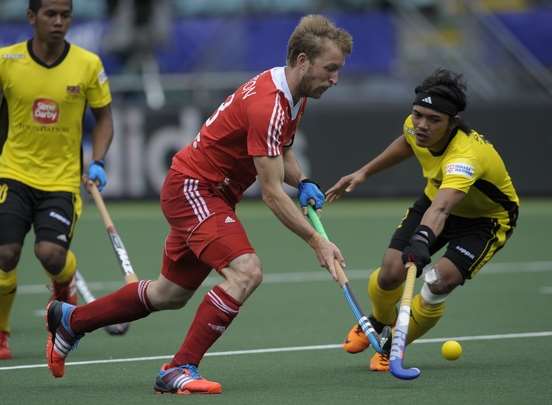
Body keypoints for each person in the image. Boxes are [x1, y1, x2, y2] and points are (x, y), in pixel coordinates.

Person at [45, 14, 353, 395]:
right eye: (331, 69)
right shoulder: (268, 103)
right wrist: (317, 241)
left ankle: (71, 321)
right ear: (303, 60)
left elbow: (281, 148)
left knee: (167, 294)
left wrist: (303, 181)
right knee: (246, 272)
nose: (335, 79)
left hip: (209, 193)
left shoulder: (293, 93)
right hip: (195, 190)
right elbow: (272, 193)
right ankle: (179, 368)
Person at [326, 68, 519, 371]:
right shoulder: (415, 127)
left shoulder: (466, 156)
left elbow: (442, 209)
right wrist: (364, 171)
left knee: (439, 281)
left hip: (485, 220)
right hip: (436, 198)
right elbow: (407, 142)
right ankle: (378, 320)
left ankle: (393, 346)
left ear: (453, 122)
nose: (422, 125)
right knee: (391, 271)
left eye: (433, 120)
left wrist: (422, 240)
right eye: (417, 115)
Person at [0, 0, 114, 360]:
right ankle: (1, 333)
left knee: (50, 255)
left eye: (65, 15)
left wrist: (96, 161)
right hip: (13, 172)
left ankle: (64, 285)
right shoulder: (7, 61)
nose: (59, 21)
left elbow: (105, 119)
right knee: (5, 254)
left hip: (61, 180)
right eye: (50, 14)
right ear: (32, 17)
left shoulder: (88, 64)